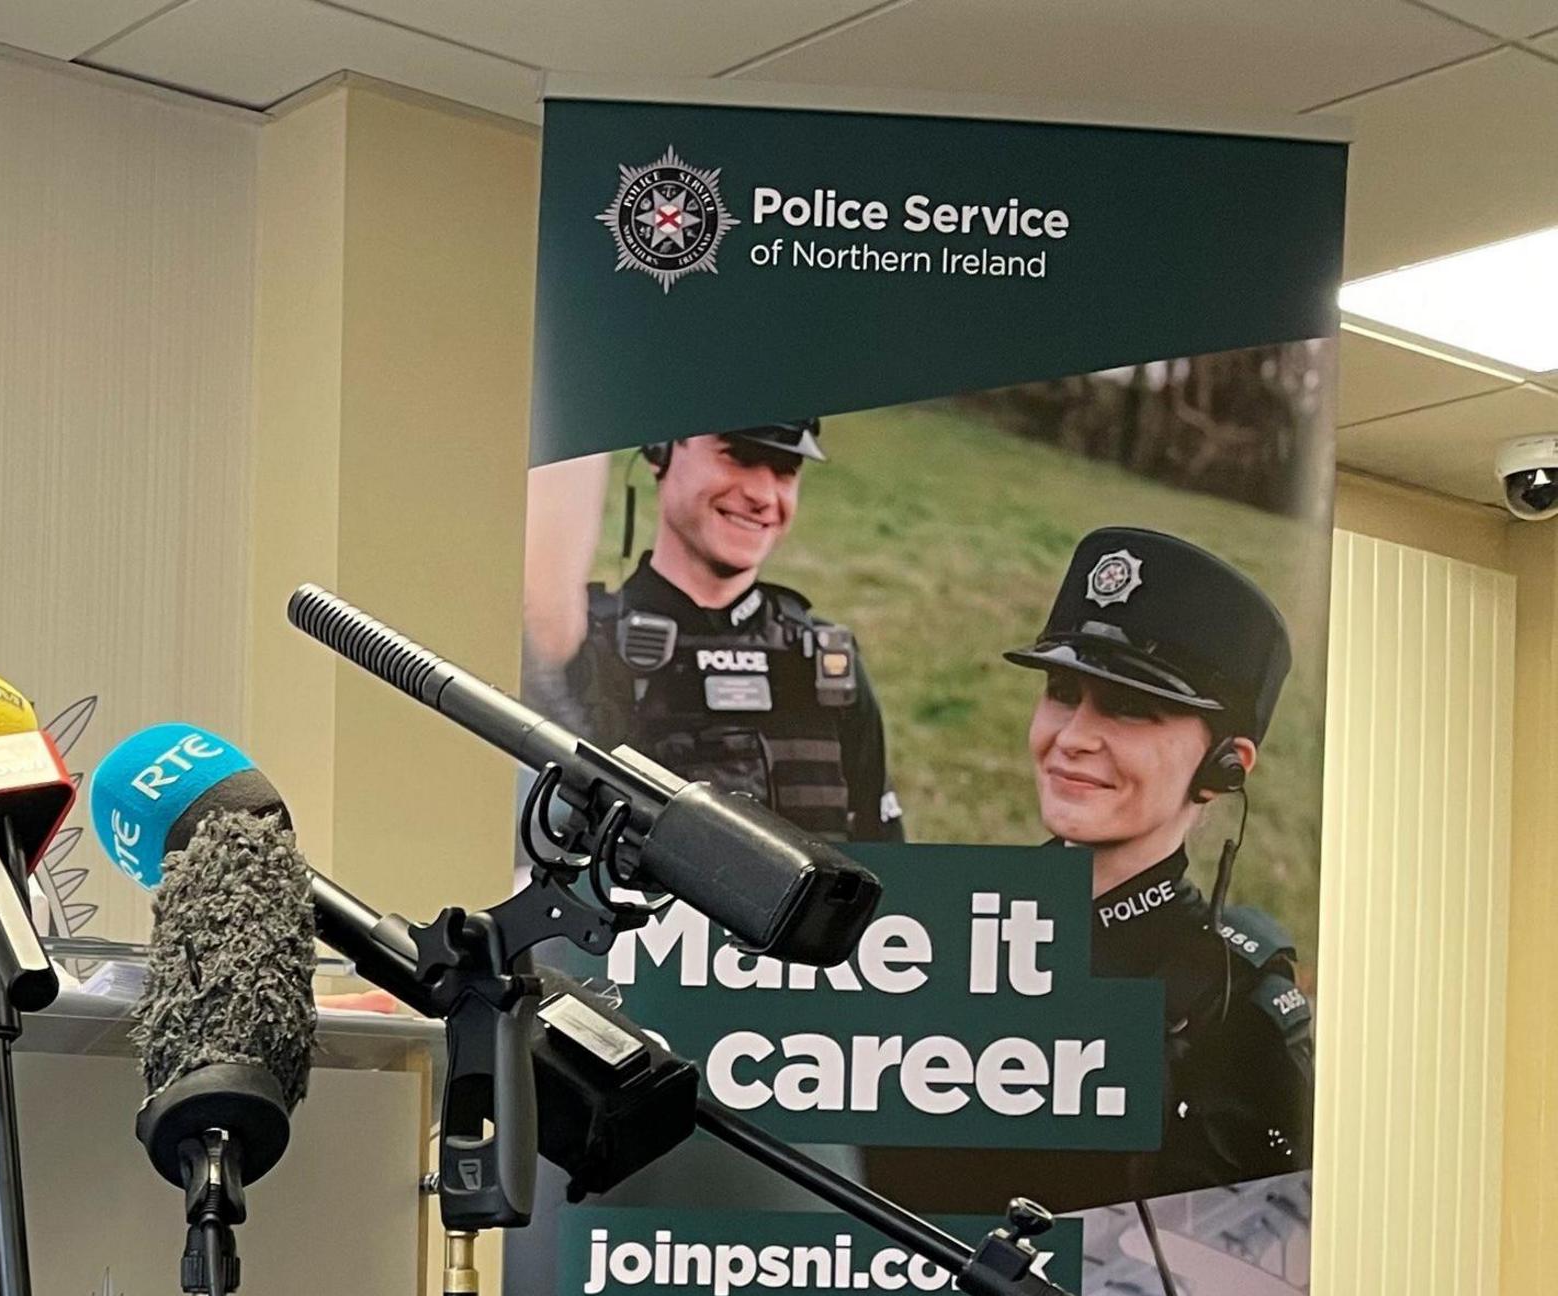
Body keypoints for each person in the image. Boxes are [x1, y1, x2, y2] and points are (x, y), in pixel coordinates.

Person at [874, 526, 1311, 1214]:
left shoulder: (1231, 1007)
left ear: (1225, 766)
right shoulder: (929, 941)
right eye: (1061, 691)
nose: (1073, 738)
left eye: (1132, 708)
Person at [524, 421, 898, 841]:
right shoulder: (580, 651)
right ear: (660, 451)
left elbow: (887, 860)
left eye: (786, 468)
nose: (762, 494)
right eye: (738, 456)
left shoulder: (827, 664)